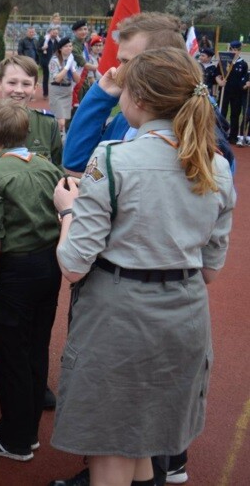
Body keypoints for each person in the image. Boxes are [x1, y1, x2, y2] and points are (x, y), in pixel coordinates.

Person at [50, 48, 235, 486]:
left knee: (112, 444)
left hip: (120, 317)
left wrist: (67, 211)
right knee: (145, 441)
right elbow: (210, 269)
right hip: (186, 315)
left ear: (140, 99)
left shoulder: (113, 159)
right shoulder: (217, 164)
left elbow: (74, 265)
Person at [0, 100, 62, 463]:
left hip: (14, 269)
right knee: (36, 348)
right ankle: (28, 430)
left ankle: (15, 439)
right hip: (48, 265)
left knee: (11, 354)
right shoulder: (46, 166)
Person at [62, 13, 190, 173]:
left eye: (127, 62)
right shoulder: (126, 120)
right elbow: (76, 161)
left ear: (163, 67)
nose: (117, 71)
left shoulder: (195, 129)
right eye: (120, 61)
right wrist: (100, 96)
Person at [0, 55, 63, 164]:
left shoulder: (47, 124)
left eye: (26, 84)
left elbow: (57, 167)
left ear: (35, 88)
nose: (19, 90)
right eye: (12, 83)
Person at [218, 39, 249, 144]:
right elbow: (218, 74)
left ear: (239, 51)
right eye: (231, 49)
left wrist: (244, 86)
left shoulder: (243, 64)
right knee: (222, 113)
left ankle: (233, 136)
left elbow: (244, 79)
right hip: (225, 91)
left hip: (237, 93)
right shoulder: (224, 61)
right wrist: (220, 81)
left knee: (235, 114)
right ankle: (221, 135)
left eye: (236, 50)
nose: (233, 52)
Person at [48, 37, 77, 133]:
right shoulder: (54, 60)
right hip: (57, 91)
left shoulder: (72, 60)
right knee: (61, 122)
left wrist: (72, 68)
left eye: (70, 46)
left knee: (63, 121)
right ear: (60, 48)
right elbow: (57, 79)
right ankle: (56, 137)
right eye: (66, 46)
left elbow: (77, 80)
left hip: (67, 92)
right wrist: (67, 66)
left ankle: (58, 137)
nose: (69, 48)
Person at [38, 27, 60, 97]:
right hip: (46, 61)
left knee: (55, 77)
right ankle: (45, 93)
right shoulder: (44, 39)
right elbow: (38, 48)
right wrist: (42, 48)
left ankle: (55, 92)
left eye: (56, 33)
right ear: (50, 32)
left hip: (55, 62)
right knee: (46, 77)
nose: (55, 34)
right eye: (54, 33)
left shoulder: (58, 40)